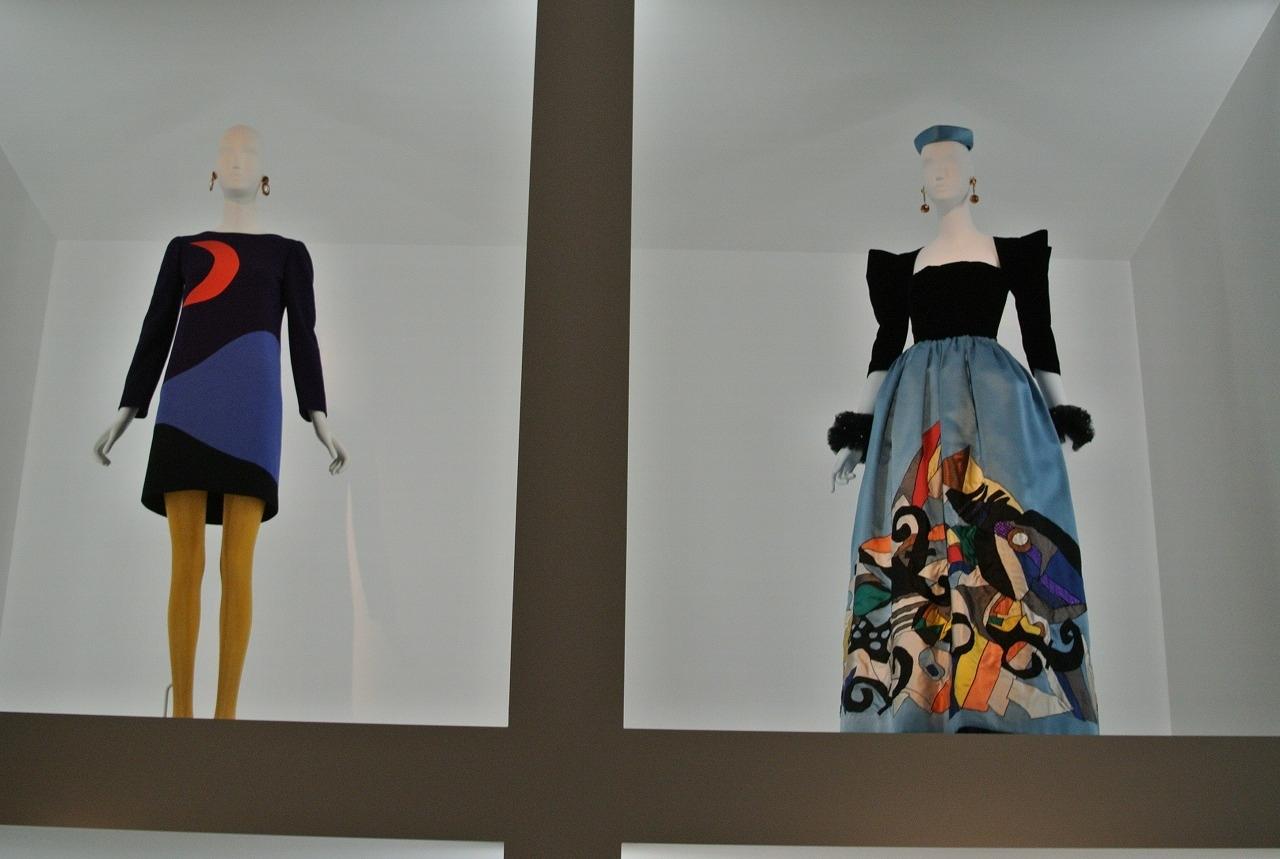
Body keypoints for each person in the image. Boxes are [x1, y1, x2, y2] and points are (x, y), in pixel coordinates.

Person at [829, 125, 1098, 734]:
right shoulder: (901, 268)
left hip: (996, 399)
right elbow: (883, 346)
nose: (940, 172)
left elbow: (1039, 334)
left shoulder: (1013, 254)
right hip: (914, 400)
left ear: (972, 175)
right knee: (915, 521)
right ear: (921, 184)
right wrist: (858, 431)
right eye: (930, 165)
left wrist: (1060, 414)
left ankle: (1015, 692)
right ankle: (914, 698)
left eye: (950, 162)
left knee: (999, 517)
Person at [92, 124, 348, 719]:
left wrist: (318, 414)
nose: (236, 160)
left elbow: (303, 335)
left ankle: (225, 715)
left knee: (238, 563)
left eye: (248, 153)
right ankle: (183, 713)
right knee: (186, 562)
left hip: (253, 409)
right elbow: (156, 328)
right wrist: (128, 408)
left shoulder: (287, 253)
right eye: (226, 153)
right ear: (212, 173)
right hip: (186, 399)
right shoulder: (184, 249)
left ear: (265, 177)